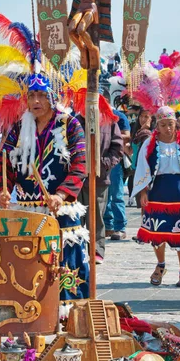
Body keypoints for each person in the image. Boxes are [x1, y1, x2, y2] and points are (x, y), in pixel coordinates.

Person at [0, 75, 89, 300]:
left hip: (60, 209)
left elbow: (80, 164)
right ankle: (31, 314)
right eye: (32, 96)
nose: (36, 101)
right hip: (27, 209)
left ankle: (70, 313)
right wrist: (3, 190)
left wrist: (60, 194)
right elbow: (3, 162)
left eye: (42, 96)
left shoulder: (69, 125)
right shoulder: (19, 128)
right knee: (28, 264)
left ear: (52, 98)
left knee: (65, 263)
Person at [132, 106, 180, 287]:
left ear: (175, 124)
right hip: (157, 191)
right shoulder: (150, 143)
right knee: (157, 232)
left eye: (170, 124)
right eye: (163, 125)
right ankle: (161, 265)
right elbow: (142, 167)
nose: (168, 129)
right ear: (158, 125)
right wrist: (143, 192)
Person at [78, 110, 123, 264]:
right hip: (76, 178)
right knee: (76, 216)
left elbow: (117, 147)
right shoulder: (73, 121)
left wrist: (105, 164)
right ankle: (77, 250)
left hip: (100, 178)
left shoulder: (108, 122)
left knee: (96, 216)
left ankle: (96, 250)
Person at [103, 96, 131, 241]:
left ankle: (120, 227)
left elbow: (127, 135)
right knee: (103, 195)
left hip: (114, 160)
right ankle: (108, 225)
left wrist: (109, 137)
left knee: (116, 194)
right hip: (99, 160)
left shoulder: (119, 116)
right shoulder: (95, 115)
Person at [128, 109, 155, 208]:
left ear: (152, 119)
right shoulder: (138, 131)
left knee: (146, 205)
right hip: (136, 170)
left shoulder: (147, 133)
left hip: (145, 171)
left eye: (146, 117)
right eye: (141, 116)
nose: (143, 119)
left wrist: (143, 129)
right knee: (142, 205)